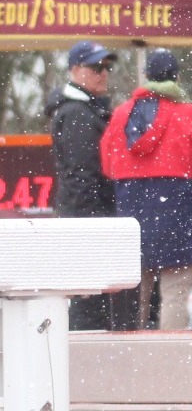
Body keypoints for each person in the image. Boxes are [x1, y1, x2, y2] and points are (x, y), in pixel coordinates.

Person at [99, 49, 192, 330]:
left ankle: (131, 358)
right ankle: (171, 359)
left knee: (135, 297)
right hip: (179, 217)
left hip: (133, 219)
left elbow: (107, 166)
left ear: (145, 77)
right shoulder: (189, 114)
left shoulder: (120, 116)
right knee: (175, 297)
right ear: (177, 77)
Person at [44, 40, 130, 330]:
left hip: (85, 216)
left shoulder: (85, 110)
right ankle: (84, 359)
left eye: (106, 67)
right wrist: (95, 222)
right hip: (85, 219)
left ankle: (85, 356)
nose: (103, 73)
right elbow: (83, 175)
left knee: (91, 296)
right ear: (76, 70)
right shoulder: (77, 114)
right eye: (96, 67)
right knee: (88, 297)